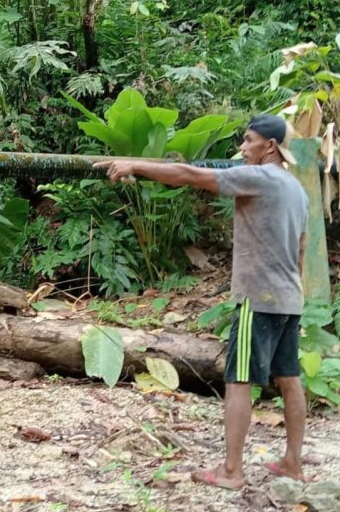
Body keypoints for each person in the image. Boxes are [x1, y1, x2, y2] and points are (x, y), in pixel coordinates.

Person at [94, 114, 309, 490]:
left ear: (270, 147)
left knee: (238, 379)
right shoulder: (296, 188)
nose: (242, 148)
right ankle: (293, 462)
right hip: (289, 298)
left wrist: (135, 165)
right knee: (289, 379)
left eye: (248, 140)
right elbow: (303, 248)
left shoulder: (259, 178)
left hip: (258, 298)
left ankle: (231, 471)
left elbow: (190, 175)